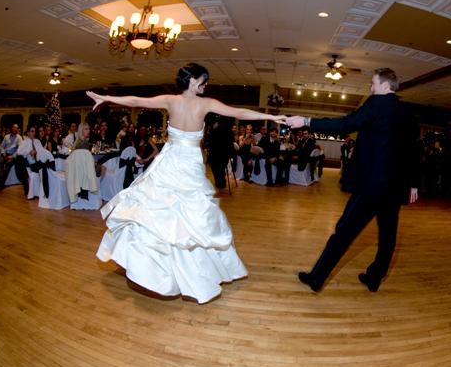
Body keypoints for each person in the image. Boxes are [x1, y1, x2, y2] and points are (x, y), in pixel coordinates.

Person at [87, 62, 286, 304]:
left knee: (163, 215)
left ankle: (167, 271)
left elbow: (136, 101)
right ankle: (179, 273)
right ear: (192, 79)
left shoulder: (172, 100)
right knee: (189, 218)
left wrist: (107, 98)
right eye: (203, 80)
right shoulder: (204, 103)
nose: (205, 84)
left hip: (172, 161)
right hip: (185, 163)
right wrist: (273, 116)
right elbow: (239, 113)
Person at [286, 67, 420, 293]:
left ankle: (317, 278)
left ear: (385, 86)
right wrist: (413, 183)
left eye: (373, 83)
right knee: (388, 237)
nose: (370, 86)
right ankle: (374, 278)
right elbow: (414, 150)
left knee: (344, 232)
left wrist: (307, 121)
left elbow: (345, 124)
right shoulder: (407, 112)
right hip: (394, 188)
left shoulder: (376, 104)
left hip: (371, 186)